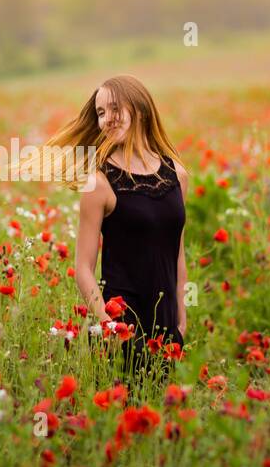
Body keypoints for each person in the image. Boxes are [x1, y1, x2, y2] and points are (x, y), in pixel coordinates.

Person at [45, 75, 188, 387]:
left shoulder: (177, 174)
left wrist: (182, 317)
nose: (106, 118)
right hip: (122, 323)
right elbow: (82, 267)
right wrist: (107, 323)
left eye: (113, 108)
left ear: (140, 108)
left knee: (162, 420)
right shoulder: (98, 182)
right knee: (123, 420)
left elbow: (177, 252)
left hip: (165, 320)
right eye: (99, 112)